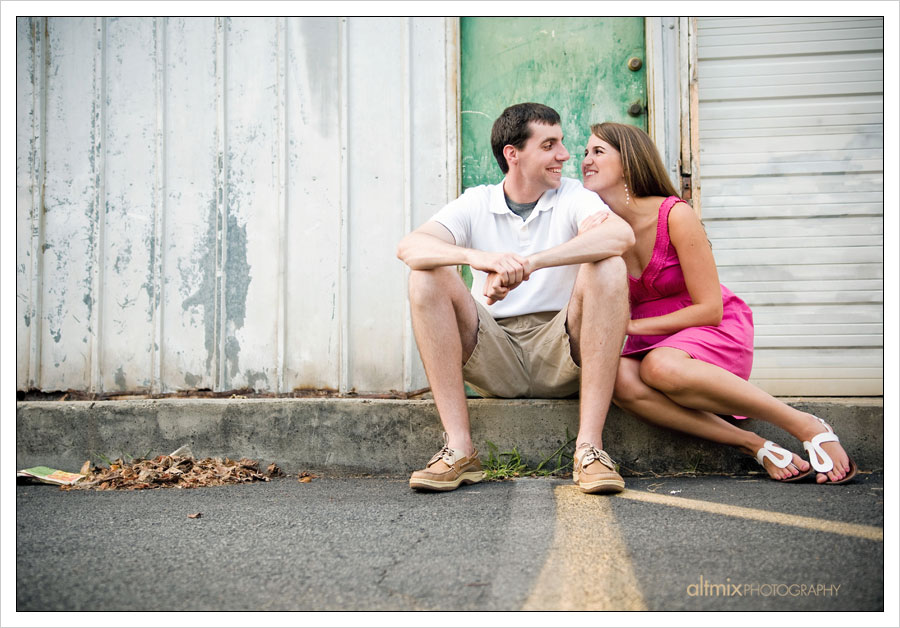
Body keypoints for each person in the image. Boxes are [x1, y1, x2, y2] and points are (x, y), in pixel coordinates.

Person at [580, 121, 857, 484]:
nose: (586, 159)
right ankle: (753, 444)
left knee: (658, 368)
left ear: (629, 162)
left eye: (598, 151)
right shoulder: (598, 224)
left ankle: (803, 423)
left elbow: (709, 308)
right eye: (585, 152)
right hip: (651, 342)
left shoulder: (674, 214)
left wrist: (629, 326)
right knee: (619, 381)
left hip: (710, 329)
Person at [396, 103, 636, 493]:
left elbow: (620, 236)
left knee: (608, 265)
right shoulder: (478, 201)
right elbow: (410, 246)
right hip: (494, 351)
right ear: (513, 154)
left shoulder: (573, 195)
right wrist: (480, 259)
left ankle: (590, 450)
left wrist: (531, 263)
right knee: (426, 277)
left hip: (562, 347)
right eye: (549, 145)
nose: (564, 155)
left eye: (561, 143)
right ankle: (459, 450)